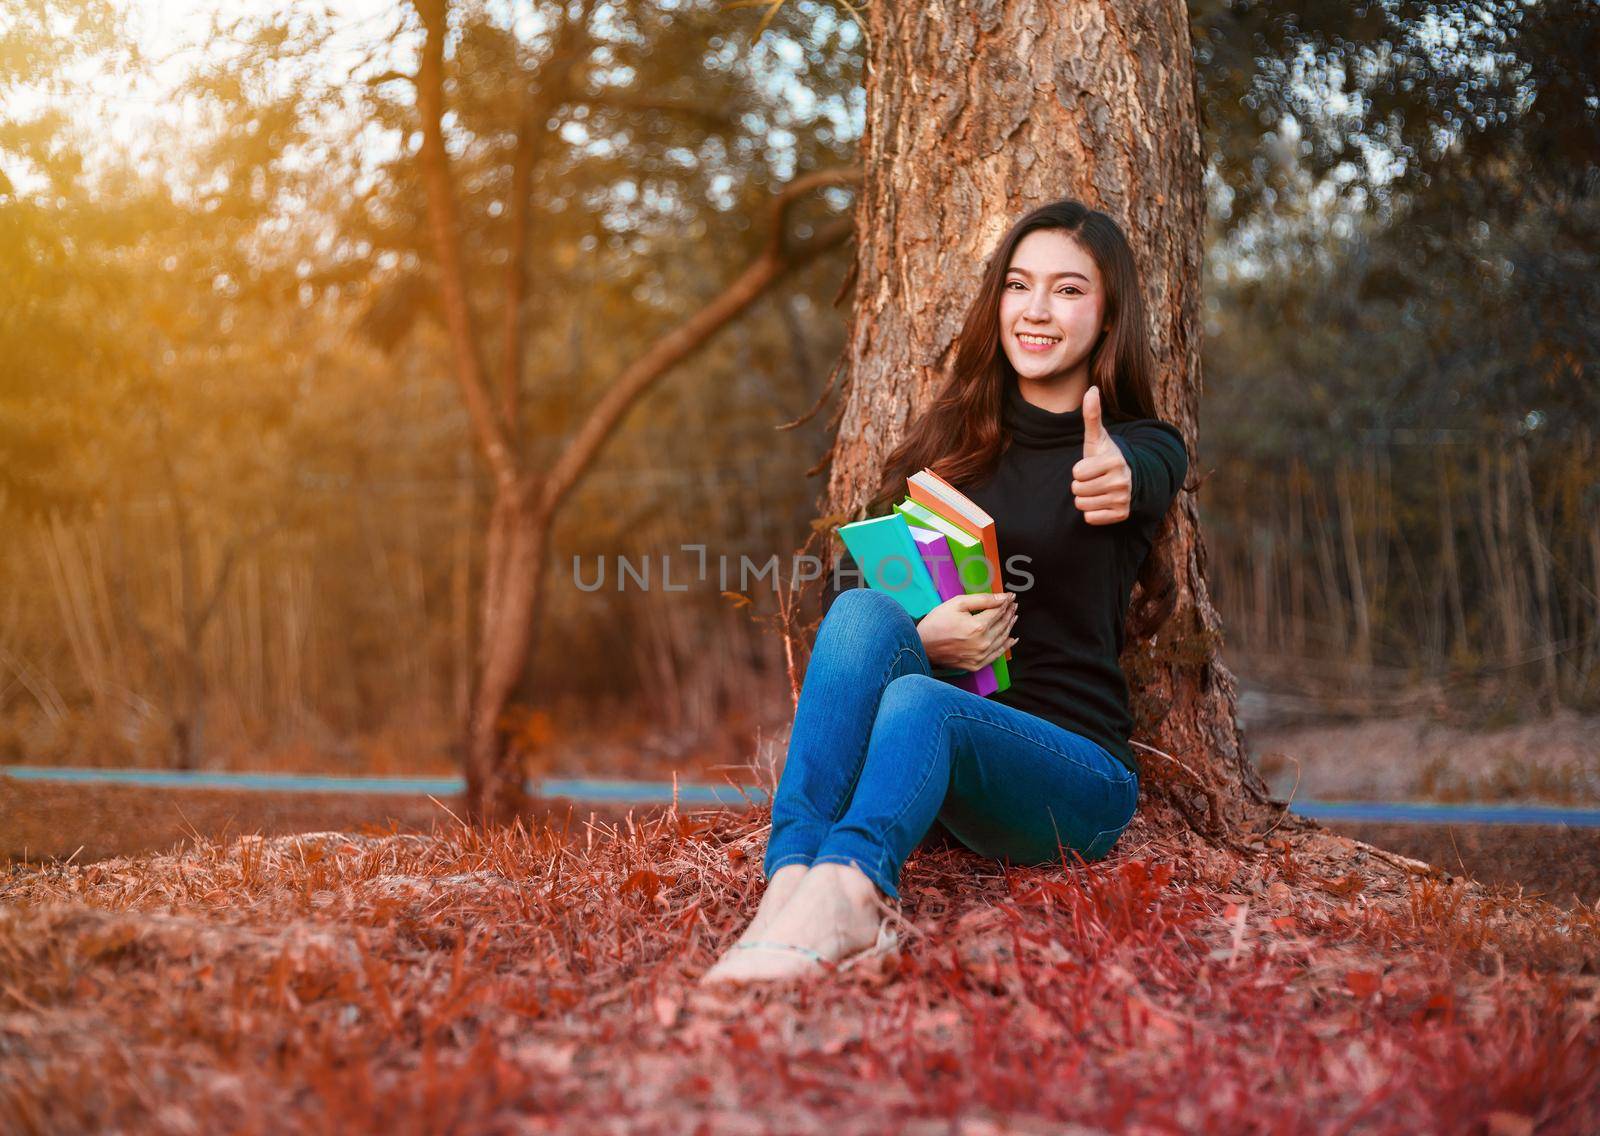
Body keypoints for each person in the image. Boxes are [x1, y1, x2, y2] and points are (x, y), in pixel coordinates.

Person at [699, 200, 1190, 985]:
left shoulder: (1135, 446)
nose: (1036, 311)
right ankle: (789, 881)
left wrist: (1122, 476)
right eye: (1019, 285)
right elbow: (848, 587)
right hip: (950, 773)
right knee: (862, 612)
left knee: (921, 704)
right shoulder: (951, 445)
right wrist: (925, 639)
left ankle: (852, 900)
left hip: (1075, 776)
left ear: (1107, 317)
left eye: (1068, 291)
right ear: (996, 299)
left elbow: (1154, 470)